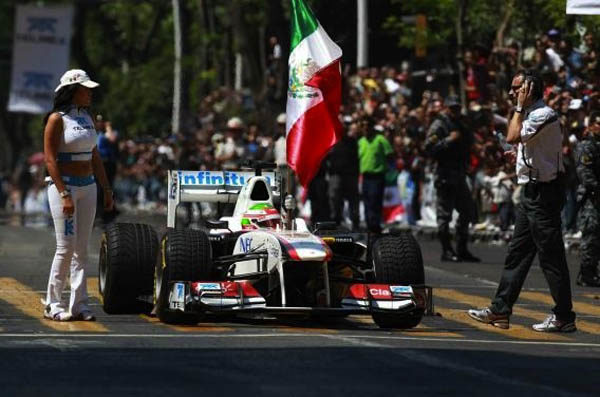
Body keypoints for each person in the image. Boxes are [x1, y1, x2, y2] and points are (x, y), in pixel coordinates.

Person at [468, 69, 576, 332]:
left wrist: (517, 108)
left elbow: (512, 135)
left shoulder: (543, 114)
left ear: (530, 90)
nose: (511, 93)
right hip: (531, 193)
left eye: (517, 88)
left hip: (544, 194)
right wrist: (515, 155)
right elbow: (523, 145)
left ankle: (564, 316)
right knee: (518, 254)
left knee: (550, 257)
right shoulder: (530, 116)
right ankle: (500, 310)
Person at [42, 69, 114, 321]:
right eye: (86, 89)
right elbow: (50, 159)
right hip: (65, 186)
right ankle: (53, 302)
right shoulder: (56, 119)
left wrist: (105, 188)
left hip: (88, 186)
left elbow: (95, 155)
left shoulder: (87, 117)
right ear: (73, 91)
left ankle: (79, 304)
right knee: (65, 247)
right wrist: (63, 193)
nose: (90, 93)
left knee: (81, 249)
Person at [425, 96, 480, 262]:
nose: (456, 111)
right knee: (444, 215)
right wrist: (449, 140)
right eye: (453, 108)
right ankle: (446, 250)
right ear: (447, 108)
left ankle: (462, 248)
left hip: (460, 173)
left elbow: (469, 141)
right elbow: (429, 148)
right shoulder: (439, 124)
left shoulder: (461, 123)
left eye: (458, 108)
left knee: (467, 210)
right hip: (445, 174)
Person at [574, 111, 600, 287]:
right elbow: (585, 172)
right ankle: (586, 272)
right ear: (591, 125)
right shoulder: (586, 146)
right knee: (591, 234)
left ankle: (593, 270)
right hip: (592, 197)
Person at [358, 118, 393, 233]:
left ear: (372, 127)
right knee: (367, 202)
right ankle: (369, 226)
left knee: (374, 201)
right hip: (365, 177)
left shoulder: (380, 139)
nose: (365, 128)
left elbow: (390, 154)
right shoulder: (361, 142)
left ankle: (375, 226)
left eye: (367, 125)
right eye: (363, 126)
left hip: (377, 177)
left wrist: (386, 169)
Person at [325, 117, 360, 230]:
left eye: (345, 126)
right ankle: (336, 221)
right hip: (335, 175)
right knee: (334, 198)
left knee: (353, 199)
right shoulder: (331, 141)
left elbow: (357, 158)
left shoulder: (352, 141)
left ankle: (355, 222)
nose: (343, 128)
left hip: (350, 175)